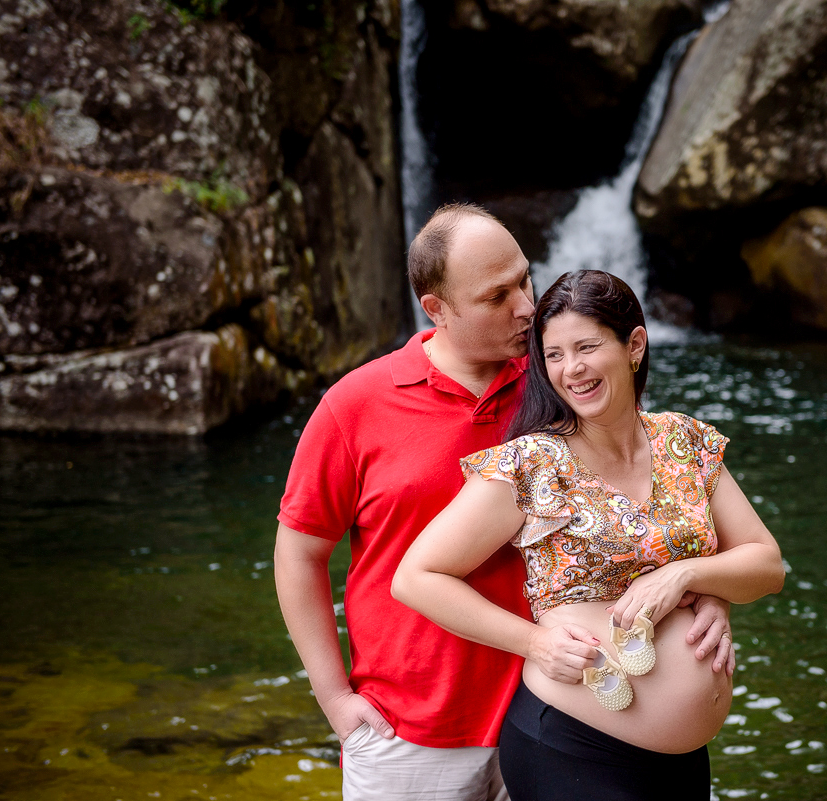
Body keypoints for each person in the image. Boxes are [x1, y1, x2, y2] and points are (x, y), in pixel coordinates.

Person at [274, 206, 736, 801]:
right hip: (413, 729)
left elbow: (655, 503)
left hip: (566, 716)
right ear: (435, 308)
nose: (526, 306)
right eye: (497, 296)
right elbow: (299, 553)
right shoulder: (354, 406)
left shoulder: (565, 382)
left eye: (525, 279)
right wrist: (333, 697)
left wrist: (704, 591)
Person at [392, 270, 785, 800]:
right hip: (573, 748)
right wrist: (534, 642)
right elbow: (417, 577)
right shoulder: (532, 464)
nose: (571, 370)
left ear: (635, 345)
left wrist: (691, 576)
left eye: (586, 347)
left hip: (682, 761)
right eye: (553, 355)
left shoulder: (684, 441)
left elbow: (766, 564)